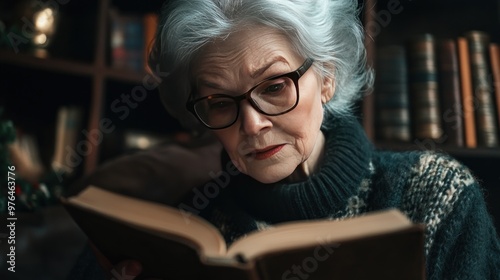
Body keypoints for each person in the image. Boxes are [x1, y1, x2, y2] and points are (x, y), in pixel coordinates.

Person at [68, 0, 500, 279]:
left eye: (274, 86)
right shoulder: (189, 224)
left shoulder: (435, 195)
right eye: (219, 101)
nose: (252, 125)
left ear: (327, 78)